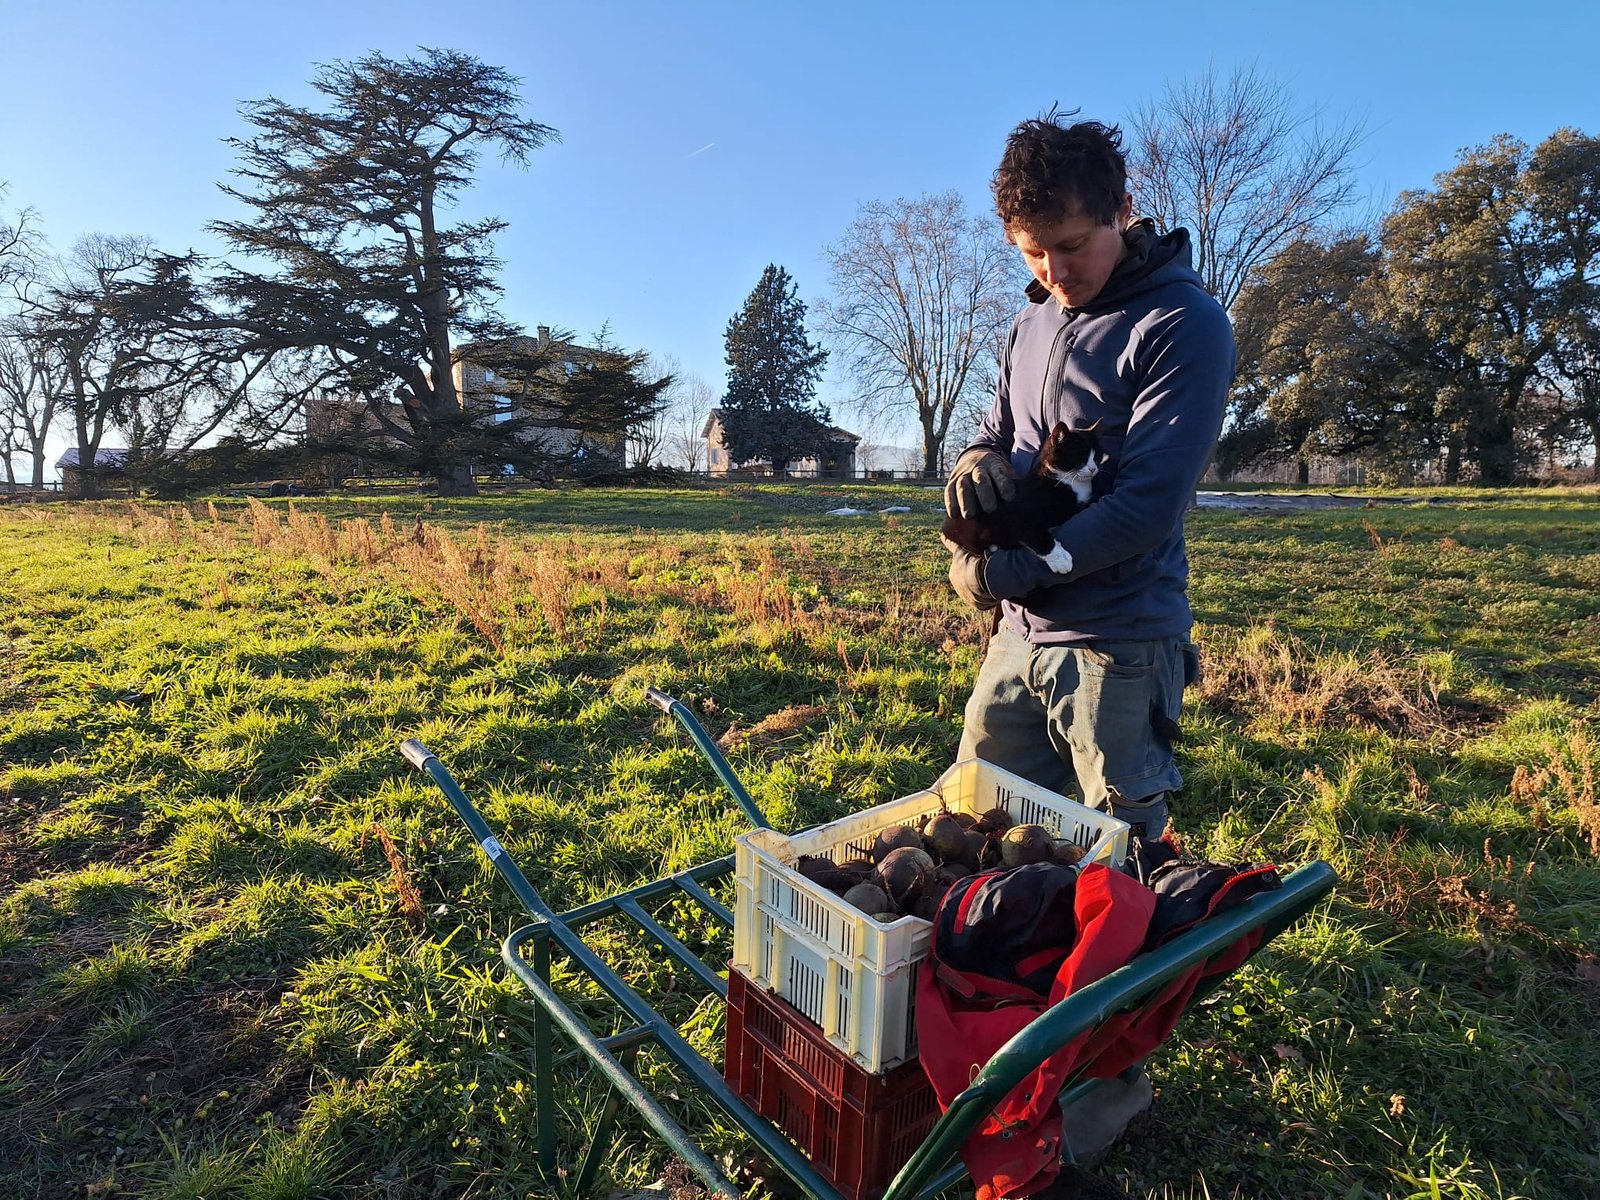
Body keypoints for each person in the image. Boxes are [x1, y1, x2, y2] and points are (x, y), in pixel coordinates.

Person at [944, 110, 1234, 843]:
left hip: (1118, 642)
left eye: (1071, 246)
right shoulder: (1030, 324)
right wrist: (974, 468)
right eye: (1033, 253)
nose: (1054, 272)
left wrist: (1019, 568)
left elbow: (1146, 507)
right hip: (1020, 636)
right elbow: (996, 435)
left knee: (1114, 845)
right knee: (979, 823)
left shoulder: (1182, 324)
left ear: (1123, 212)